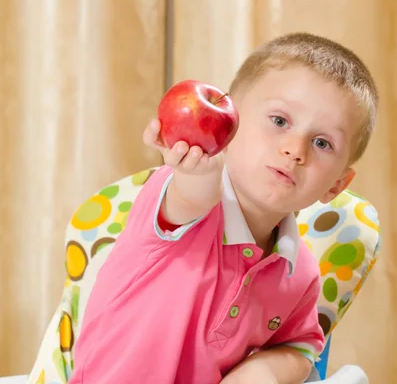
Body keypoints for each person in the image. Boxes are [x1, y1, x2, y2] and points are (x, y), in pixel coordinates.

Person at [68, 32, 379, 384]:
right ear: (230, 122)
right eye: (279, 121)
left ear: (337, 185)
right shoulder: (180, 196)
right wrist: (196, 171)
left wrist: (264, 370)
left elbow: (303, 344)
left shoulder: (299, 273)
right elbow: (191, 200)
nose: (295, 149)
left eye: (322, 142)